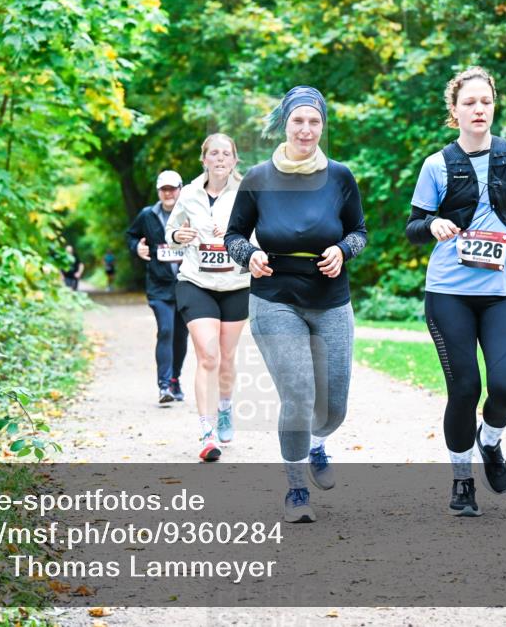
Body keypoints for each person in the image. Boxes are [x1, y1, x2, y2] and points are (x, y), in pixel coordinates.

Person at [405, 66, 506, 517]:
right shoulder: (437, 164)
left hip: (504, 290)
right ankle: (462, 479)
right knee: (465, 388)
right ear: (455, 110)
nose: (479, 109)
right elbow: (413, 226)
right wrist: (433, 224)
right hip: (449, 291)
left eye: (485, 101)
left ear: (493, 105)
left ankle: (491, 440)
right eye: (469, 102)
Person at [226, 86, 367, 523]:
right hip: (274, 297)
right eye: (298, 121)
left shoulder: (341, 177)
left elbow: (360, 232)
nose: (306, 129)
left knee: (334, 405)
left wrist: (343, 250)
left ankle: (316, 443)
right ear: (285, 125)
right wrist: (250, 255)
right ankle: (296, 488)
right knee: (299, 393)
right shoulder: (257, 178)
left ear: (323, 126)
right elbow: (233, 236)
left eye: (314, 121)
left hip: (330, 298)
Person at [166, 134, 251, 462]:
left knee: (227, 359)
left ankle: (225, 408)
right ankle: (206, 432)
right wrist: (178, 235)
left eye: (225, 154)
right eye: (213, 153)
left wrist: (232, 236)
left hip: (235, 284)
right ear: (204, 160)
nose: (219, 159)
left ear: (234, 160)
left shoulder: (247, 193)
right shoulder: (188, 193)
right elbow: (171, 233)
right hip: (195, 282)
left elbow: (260, 233)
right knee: (208, 357)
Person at [125, 171, 190, 405]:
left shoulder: (191, 212)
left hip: (186, 284)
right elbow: (131, 235)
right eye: (164, 189)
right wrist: (137, 248)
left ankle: (174, 379)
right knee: (166, 330)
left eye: (173, 188)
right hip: (159, 286)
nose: (168, 193)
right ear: (158, 191)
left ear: (181, 189)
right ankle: (164, 385)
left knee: (181, 336)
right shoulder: (148, 215)